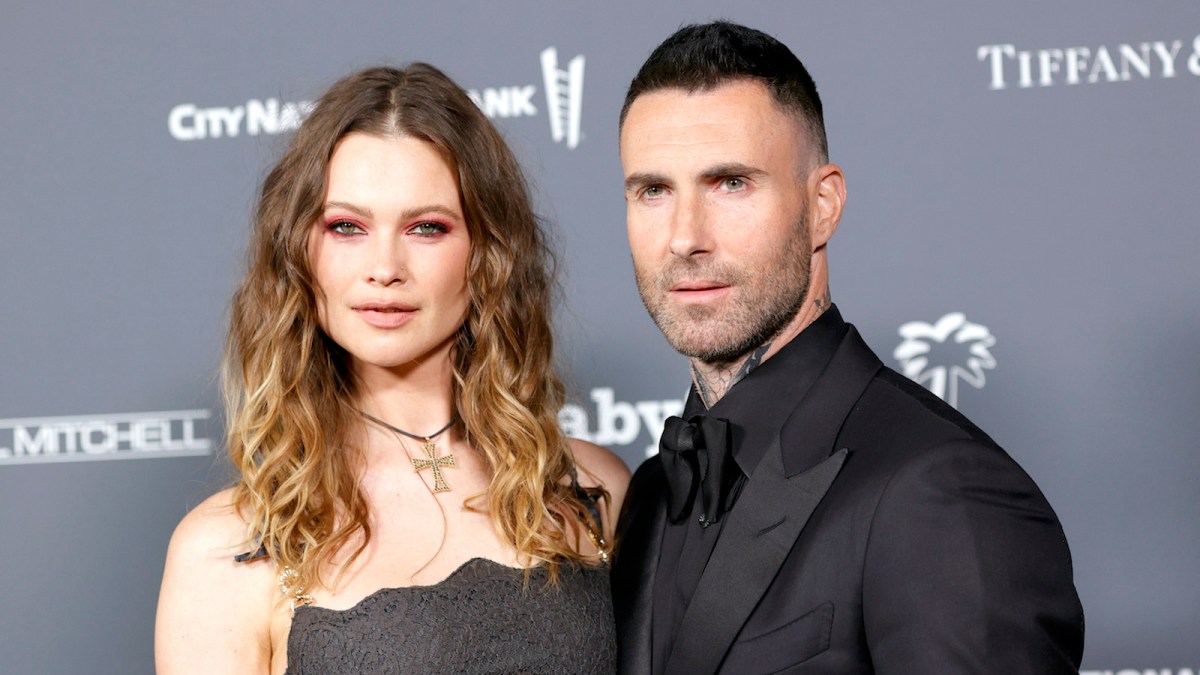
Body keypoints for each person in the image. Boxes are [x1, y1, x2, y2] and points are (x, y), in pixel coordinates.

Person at [610, 21, 1084, 674]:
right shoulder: (653, 492)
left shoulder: (939, 491)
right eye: (654, 190)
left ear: (824, 204)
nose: (685, 237)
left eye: (731, 183)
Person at [155, 63, 629, 674]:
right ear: (298, 252)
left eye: (426, 227)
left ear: (488, 254)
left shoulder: (591, 489)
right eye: (346, 227)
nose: (385, 266)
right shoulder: (226, 548)